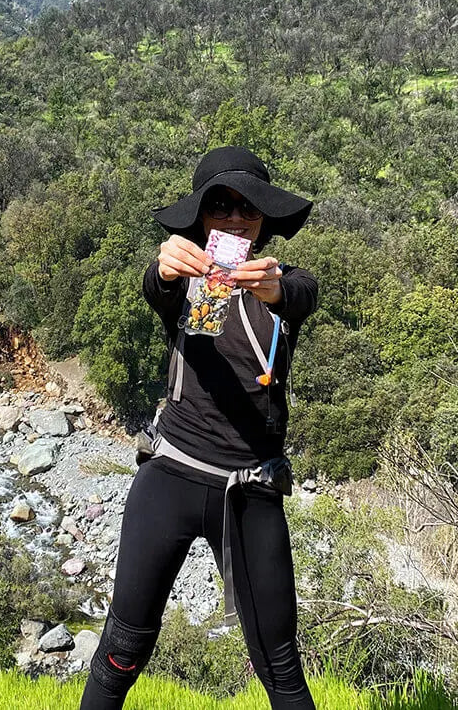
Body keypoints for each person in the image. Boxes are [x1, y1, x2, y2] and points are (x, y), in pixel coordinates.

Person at [80, 146, 319, 710]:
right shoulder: (185, 282)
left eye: (248, 208)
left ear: (263, 219)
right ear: (202, 217)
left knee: (281, 667)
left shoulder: (287, 284)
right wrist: (164, 268)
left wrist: (272, 287)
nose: (235, 218)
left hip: (253, 489)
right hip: (172, 475)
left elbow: (300, 294)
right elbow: (154, 285)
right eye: (221, 206)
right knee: (122, 650)